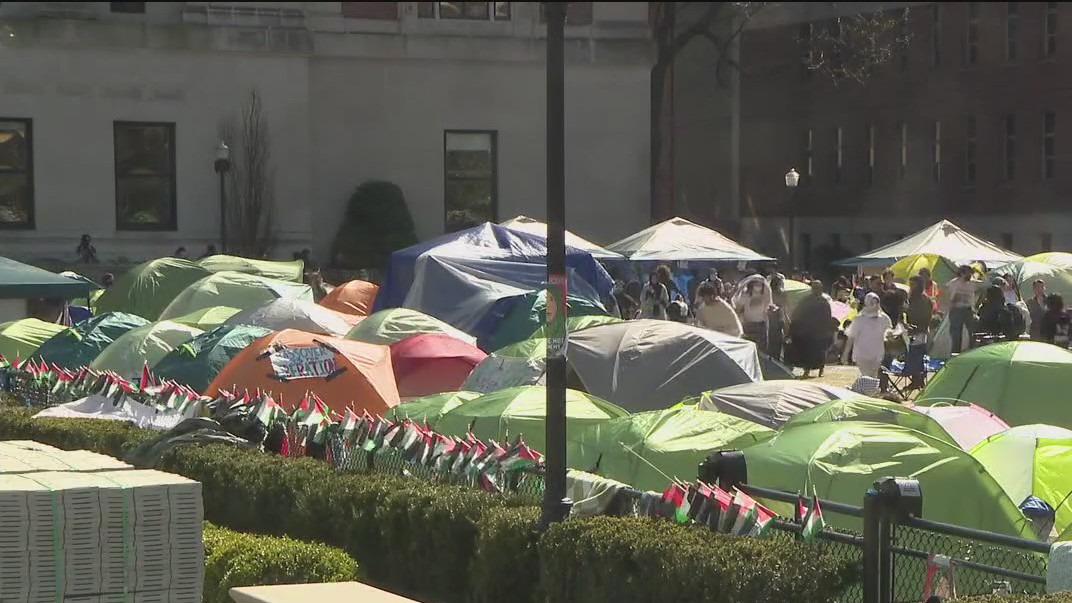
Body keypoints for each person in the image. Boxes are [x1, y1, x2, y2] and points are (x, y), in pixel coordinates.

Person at [789, 280, 835, 378]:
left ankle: (821, 370)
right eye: (815, 288)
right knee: (807, 352)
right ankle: (807, 370)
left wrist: (827, 329)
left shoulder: (824, 302)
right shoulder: (806, 300)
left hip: (820, 331)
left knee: (820, 352)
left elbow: (828, 316)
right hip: (808, 331)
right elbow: (798, 313)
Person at [842, 292, 892, 378]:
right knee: (866, 376)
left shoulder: (884, 318)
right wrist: (845, 354)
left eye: (877, 302)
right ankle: (865, 390)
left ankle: (870, 390)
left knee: (873, 377)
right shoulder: (859, 319)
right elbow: (851, 337)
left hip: (877, 353)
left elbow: (889, 333)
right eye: (872, 303)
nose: (875, 305)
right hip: (862, 354)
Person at [905, 276, 934, 390]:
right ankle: (916, 379)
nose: (912, 287)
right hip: (911, 331)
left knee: (917, 355)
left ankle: (918, 380)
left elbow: (925, 316)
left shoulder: (924, 300)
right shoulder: (911, 297)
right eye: (910, 284)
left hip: (920, 331)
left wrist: (918, 328)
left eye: (914, 285)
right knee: (912, 355)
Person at [945, 265, 982, 354]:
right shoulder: (953, 283)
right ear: (961, 273)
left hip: (968, 310)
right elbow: (945, 294)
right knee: (956, 335)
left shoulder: (973, 283)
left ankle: (972, 352)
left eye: (971, 273)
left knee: (973, 332)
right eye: (967, 273)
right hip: (956, 310)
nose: (969, 275)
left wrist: (980, 273)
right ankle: (955, 354)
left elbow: (986, 284)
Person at [733, 274, 772, 350]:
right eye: (756, 283)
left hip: (761, 325)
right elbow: (739, 308)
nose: (758, 286)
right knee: (748, 349)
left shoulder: (765, 295)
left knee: (761, 350)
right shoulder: (745, 295)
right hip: (748, 325)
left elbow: (769, 305)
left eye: (760, 284)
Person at [768, 275, 789, 360]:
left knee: (771, 346)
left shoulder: (768, 293)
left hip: (770, 322)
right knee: (777, 345)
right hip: (776, 322)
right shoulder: (781, 294)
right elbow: (783, 309)